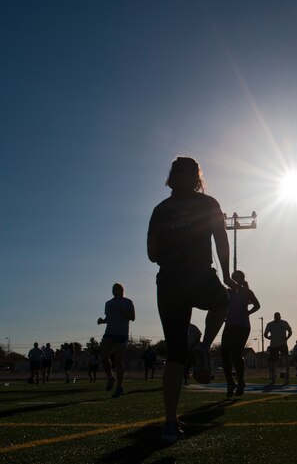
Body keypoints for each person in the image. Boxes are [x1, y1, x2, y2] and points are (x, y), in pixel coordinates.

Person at [148, 157, 235, 443]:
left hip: (170, 280)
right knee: (222, 301)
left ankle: (170, 422)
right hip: (199, 274)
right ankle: (203, 348)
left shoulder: (161, 209)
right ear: (197, 178)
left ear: (171, 177)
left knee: (174, 354)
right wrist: (226, 274)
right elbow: (221, 240)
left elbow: (151, 253)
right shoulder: (208, 203)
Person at [221, 270, 261, 397]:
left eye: (237, 278)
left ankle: (241, 382)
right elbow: (222, 306)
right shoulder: (228, 292)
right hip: (229, 325)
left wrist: (247, 313)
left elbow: (257, 305)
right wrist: (223, 315)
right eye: (233, 278)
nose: (235, 280)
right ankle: (230, 382)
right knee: (224, 354)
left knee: (237, 354)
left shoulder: (247, 292)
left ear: (242, 279)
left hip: (242, 326)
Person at [98, 282, 136, 398]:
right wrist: (102, 321)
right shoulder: (108, 303)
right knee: (104, 357)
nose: (115, 290)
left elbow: (133, 317)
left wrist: (122, 311)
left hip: (122, 334)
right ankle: (111, 377)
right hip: (109, 333)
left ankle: (119, 387)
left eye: (117, 289)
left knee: (118, 361)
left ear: (122, 290)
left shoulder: (128, 302)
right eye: (113, 289)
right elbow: (109, 319)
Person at [264, 312, 292, 385]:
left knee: (286, 360)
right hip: (274, 345)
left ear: (280, 317)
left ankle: (287, 378)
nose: (277, 318)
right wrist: (268, 337)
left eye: (278, 316)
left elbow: (290, 331)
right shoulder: (270, 324)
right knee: (273, 362)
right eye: (275, 317)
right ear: (274, 317)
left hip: (283, 344)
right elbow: (265, 334)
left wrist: (287, 338)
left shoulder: (284, 323)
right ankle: (273, 378)